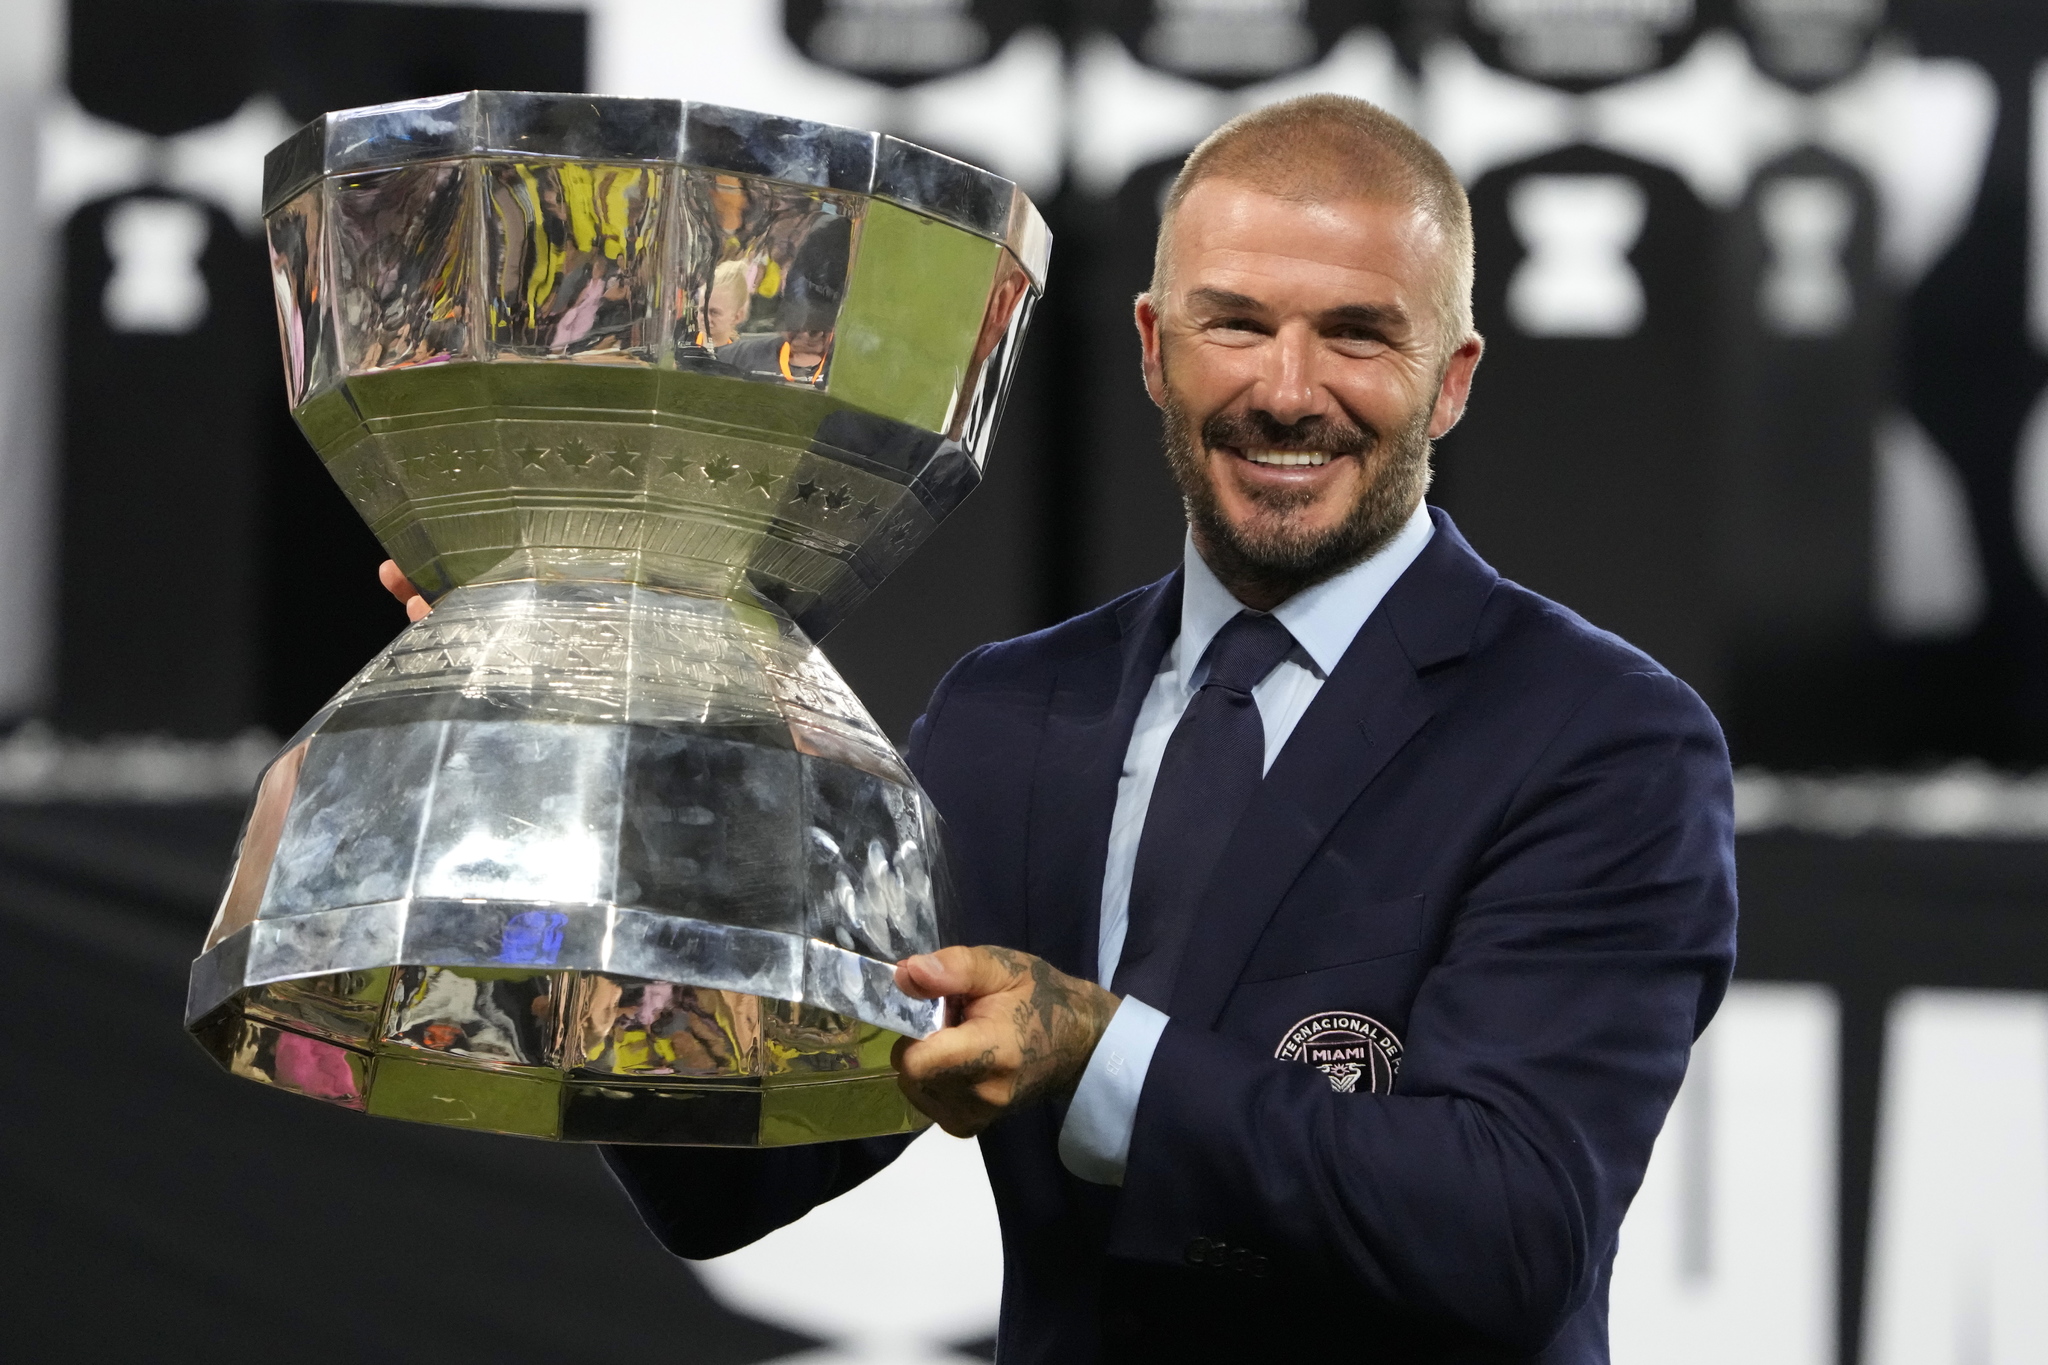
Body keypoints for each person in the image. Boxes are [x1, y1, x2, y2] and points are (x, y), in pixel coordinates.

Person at [383, 95, 1736, 1364]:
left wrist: (1101, 1053)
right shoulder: (1013, 713)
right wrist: (584, 757)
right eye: (1237, 323)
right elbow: (742, 1176)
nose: (1287, 386)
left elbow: (1510, 1232)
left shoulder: (1602, 742)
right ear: (1152, 346)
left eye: (1360, 334)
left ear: (1452, 381)